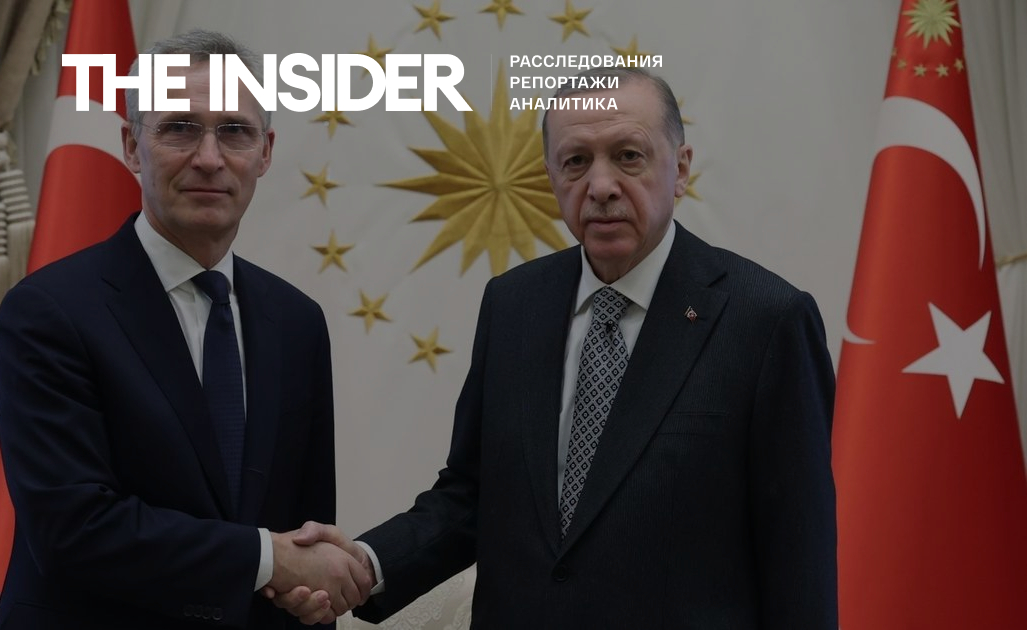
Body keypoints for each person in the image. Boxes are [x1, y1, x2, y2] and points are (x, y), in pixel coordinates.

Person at [272, 67, 838, 627]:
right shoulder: (514, 304)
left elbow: (798, 556)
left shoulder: (767, 320)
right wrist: (367, 565)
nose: (601, 186)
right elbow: (473, 494)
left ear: (681, 169)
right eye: (576, 161)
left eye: (628, 156)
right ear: (551, 177)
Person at [0, 30, 371, 630]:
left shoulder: (297, 322)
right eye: (180, 128)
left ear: (265, 152)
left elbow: (300, 537)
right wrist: (268, 560)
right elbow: (72, 529)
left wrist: (307, 589)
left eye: (235, 131)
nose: (210, 158)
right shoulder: (48, 311)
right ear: (131, 146)